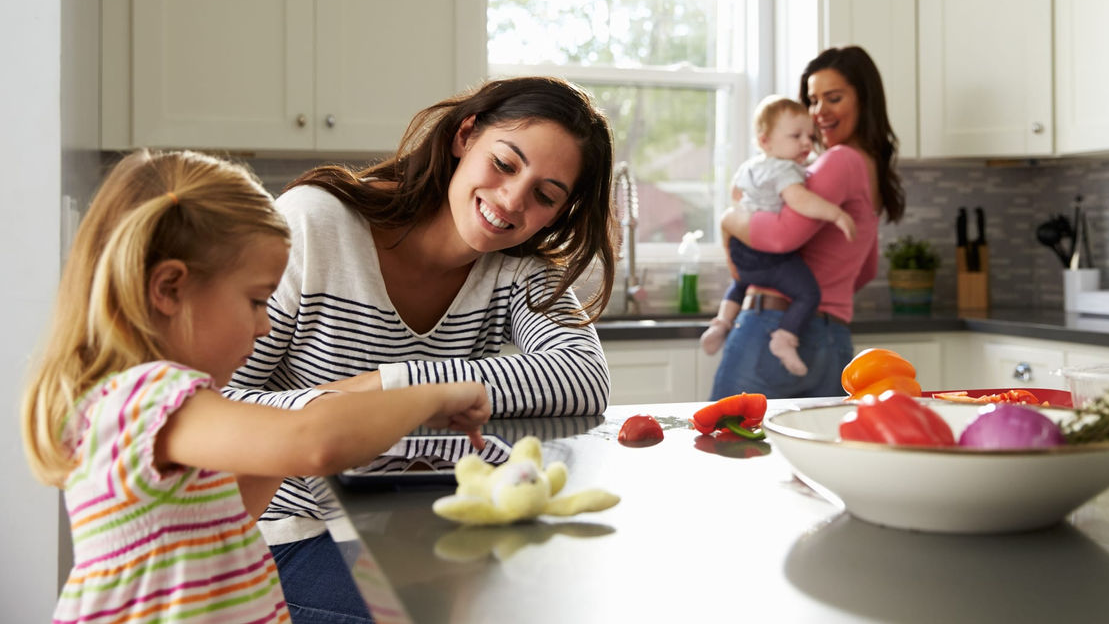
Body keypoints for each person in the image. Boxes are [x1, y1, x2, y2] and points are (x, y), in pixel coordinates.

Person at [20, 149, 492, 623]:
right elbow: (315, 443)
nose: (265, 325)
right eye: (255, 300)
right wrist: (434, 393)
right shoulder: (145, 399)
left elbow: (224, 521)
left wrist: (283, 448)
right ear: (169, 289)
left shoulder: (160, 407)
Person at [223, 75, 618, 622]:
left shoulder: (516, 266)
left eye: (545, 195)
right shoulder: (315, 225)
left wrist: (393, 386)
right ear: (465, 135)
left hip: (426, 525)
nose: (511, 200)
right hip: (292, 532)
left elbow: (581, 376)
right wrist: (338, 415)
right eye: (504, 164)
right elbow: (216, 400)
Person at [711, 46, 906, 400]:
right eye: (813, 101)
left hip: (774, 331)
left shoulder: (839, 161)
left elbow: (782, 237)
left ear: (865, 100)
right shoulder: (871, 169)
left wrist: (728, 220)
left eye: (833, 98)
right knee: (814, 454)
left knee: (728, 449)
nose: (818, 113)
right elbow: (865, 270)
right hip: (832, 342)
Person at [699, 95, 855, 375]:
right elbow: (799, 201)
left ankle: (721, 323)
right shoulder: (785, 169)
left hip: (740, 249)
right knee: (808, 293)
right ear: (765, 141)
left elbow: (736, 197)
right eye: (796, 136)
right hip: (768, 255)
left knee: (740, 282)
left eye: (810, 135)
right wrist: (836, 214)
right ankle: (785, 338)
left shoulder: (749, 166)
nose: (806, 143)